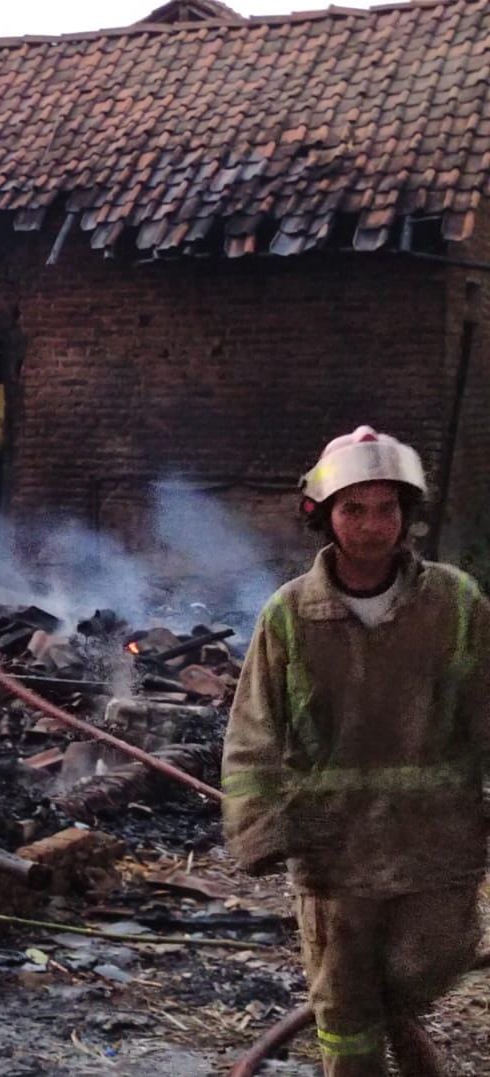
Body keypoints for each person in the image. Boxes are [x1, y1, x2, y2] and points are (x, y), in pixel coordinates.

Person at [222, 425, 490, 1076]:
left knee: (433, 964)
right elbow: (254, 729)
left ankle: (396, 1015)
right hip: (333, 850)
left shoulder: (455, 604)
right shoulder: (289, 615)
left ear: (407, 514)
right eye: (354, 509)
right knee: (343, 1009)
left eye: (386, 508)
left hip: (436, 844)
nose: (372, 526)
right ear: (324, 515)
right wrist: (258, 828)